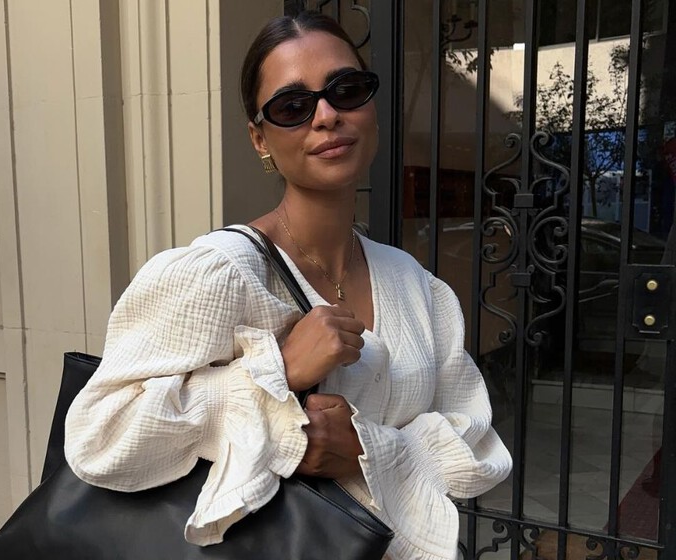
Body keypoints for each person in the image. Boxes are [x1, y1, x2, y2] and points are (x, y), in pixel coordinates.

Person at [65, 10, 512, 560]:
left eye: (346, 90)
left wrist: (369, 449)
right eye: (292, 106)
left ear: (371, 107)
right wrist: (273, 374)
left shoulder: (417, 286)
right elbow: (100, 437)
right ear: (260, 138)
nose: (327, 115)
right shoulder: (220, 273)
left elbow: (475, 442)